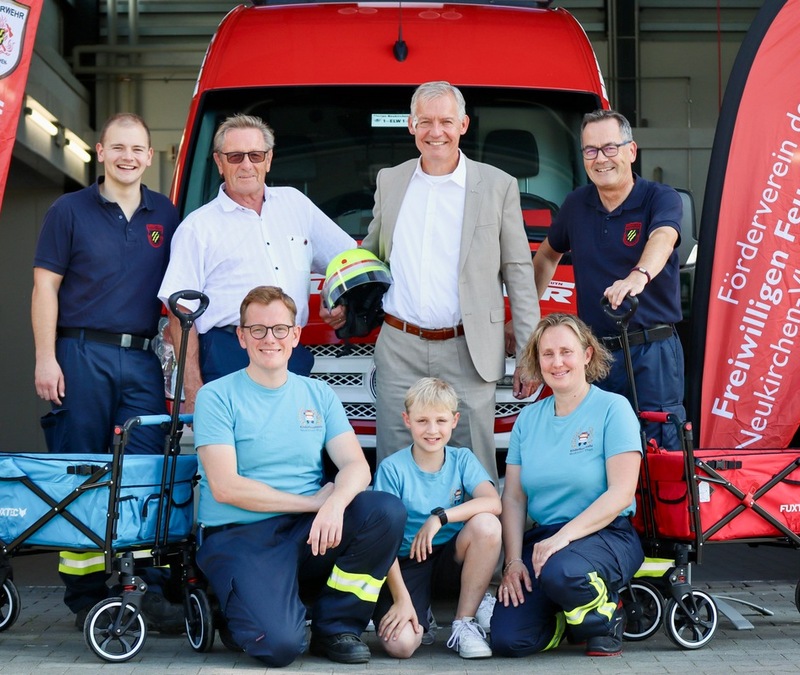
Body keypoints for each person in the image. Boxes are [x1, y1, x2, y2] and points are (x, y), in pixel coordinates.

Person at [193, 285, 405, 667]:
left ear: (295, 335)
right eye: (257, 330)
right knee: (279, 647)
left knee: (384, 510)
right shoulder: (216, 396)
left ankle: (336, 627)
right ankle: (236, 607)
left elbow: (357, 466)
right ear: (241, 337)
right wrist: (312, 503)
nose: (268, 338)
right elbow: (225, 487)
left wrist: (335, 503)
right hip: (241, 534)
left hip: (307, 529)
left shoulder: (318, 394)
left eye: (279, 329)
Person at [31, 112, 183, 630]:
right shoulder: (68, 210)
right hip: (79, 354)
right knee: (82, 472)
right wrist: (45, 356)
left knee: (143, 473)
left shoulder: (166, 213)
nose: (128, 157)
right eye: (118, 147)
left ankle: (145, 590)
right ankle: (85, 596)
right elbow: (45, 287)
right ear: (100, 152)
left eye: (137, 149)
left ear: (149, 155)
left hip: (141, 360)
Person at [361, 81, 540, 484]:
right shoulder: (391, 180)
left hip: (468, 349)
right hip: (399, 347)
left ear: (463, 124)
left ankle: (480, 548)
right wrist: (339, 294)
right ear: (410, 125)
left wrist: (529, 353)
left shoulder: (497, 185)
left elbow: (518, 273)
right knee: (394, 466)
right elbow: (371, 253)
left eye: (445, 121)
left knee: (474, 468)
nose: (435, 131)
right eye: (425, 121)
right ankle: (398, 548)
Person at [157, 113, 355, 412]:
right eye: (235, 156)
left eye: (255, 155)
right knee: (235, 453)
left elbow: (348, 258)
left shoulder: (296, 205)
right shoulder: (197, 228)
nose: (247, 165)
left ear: (269, 159)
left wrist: (332, 294)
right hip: (229, 356)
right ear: (219, 163)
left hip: (290, 354)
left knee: (291, 449)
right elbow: (180, 315)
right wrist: (192, 389)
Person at [491, 313, 644, 658]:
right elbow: (514, 498)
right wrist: (513, 561)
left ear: (587, 355)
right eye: (547, 354)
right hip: (546, 540)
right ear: (537, 360)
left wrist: (562, 539)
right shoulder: (528, 419)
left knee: (564, 571)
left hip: (605, 534)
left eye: (566, 352)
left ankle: (607, 616)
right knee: (509, 640)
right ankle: (568, 623)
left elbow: (621, 494)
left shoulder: (612, 409)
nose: (557, 362)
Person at [533, 109, 685, 449]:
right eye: (590, 150)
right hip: (595, 355)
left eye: (610, 148)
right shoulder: (575, 205)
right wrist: (525, 314)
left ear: (631, 151)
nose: (600, 159)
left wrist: (638, 275)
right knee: (596, 448)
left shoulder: (659, 198)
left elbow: (663, 238)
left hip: (653, 351)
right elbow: (546, 254)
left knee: (658, 449)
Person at [372, 377, 502, 660]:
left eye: (441, 421)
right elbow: (381, 541)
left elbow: (493, 502)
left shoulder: (462, 459)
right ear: (407, 420)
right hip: (406, 564)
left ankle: (464, 624)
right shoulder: (392, 468)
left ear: (455, 421)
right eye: (422, 421)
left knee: (487, 525)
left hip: (450, 558)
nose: (432, 430)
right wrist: (402, 600)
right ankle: (420, 610)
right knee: (402, 646)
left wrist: (440, 518)